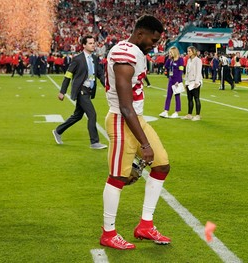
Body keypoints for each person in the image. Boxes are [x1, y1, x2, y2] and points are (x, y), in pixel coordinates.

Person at [101, 15, 171, 250]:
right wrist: (145, 144)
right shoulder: (125, 54)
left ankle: (145, 225)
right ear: (140, 34)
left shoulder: (136, 52)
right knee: (118, 177)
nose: (155, 44)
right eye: (153, 39)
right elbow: (124, 105)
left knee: (161, 165)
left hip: (135, 119)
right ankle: (108, 233)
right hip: (123, 120)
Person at [52, 35, 107, 149]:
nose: (93, 45)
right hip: (81, 91)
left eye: (93, 43)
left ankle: (58, 131)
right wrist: (62, 91)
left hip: (89, 91)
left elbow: (100, 74)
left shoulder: (95, 59)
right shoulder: (77, 59)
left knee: (77, 116)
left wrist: (107, 86)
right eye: (90, 43)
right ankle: (94, 142)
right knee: (92, 114)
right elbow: (68, 75)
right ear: (84, 45)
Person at [159, 46, 184, 119]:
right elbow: (166, 66)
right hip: (171, 79)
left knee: (177, 96)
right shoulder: (171, 60)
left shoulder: (180, 60)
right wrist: (168, 59)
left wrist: (178, 81)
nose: (169, 54)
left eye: (170, 52)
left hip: (177, 80)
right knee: (168, 96)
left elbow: (181, 71)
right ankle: (166, 111)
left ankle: (177, 111)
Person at [183, 46, 203, 121]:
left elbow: (198, 72)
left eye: (189, 51)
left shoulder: (198, 60)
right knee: (189, 99)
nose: (188, 53)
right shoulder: (189, 60)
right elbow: (187, 72)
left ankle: (198, 115)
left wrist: (197, 82)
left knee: (196, 98)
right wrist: (186, 82)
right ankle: (189, 114)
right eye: (188, 51)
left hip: (195, 81)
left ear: (193, 51)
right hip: (189, 81)